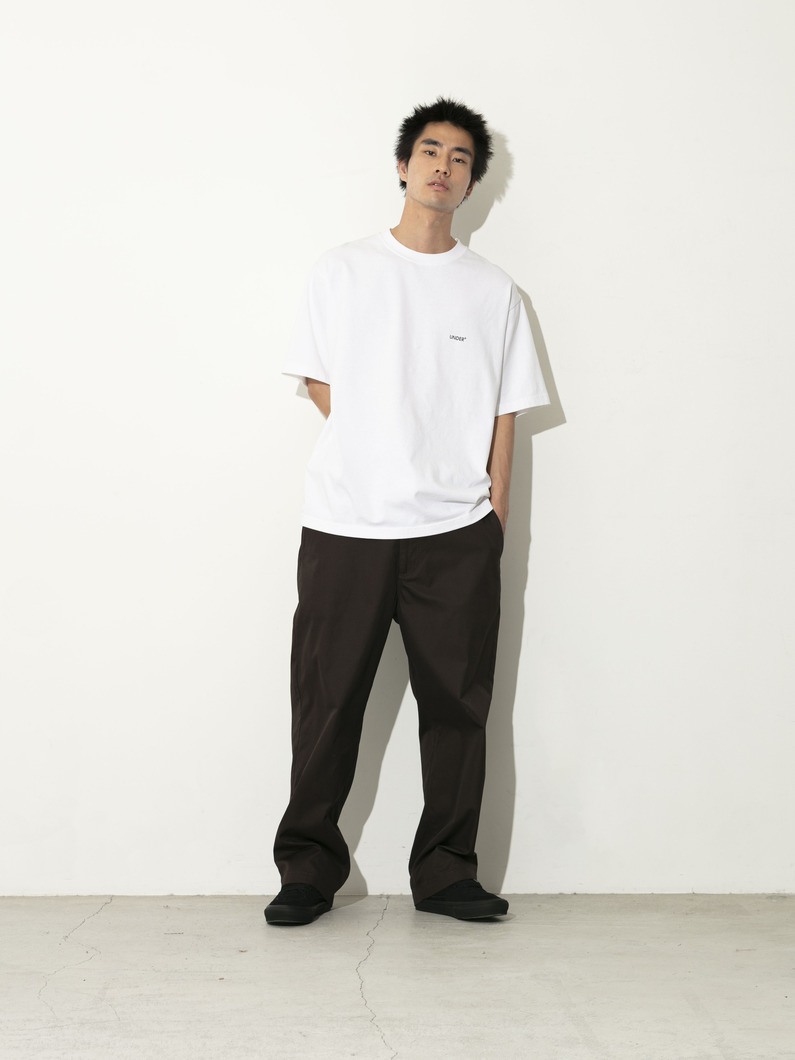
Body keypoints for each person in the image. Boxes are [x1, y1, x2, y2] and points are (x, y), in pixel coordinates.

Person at [265, 97, 549, 926]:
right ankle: (307, 870)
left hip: (455, 534)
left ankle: (447, 873)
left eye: (459, 159)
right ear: (402, 165)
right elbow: (318, 379)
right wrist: (378, 448)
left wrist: (493, 520)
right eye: (429, 151)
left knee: (459, 709)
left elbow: (505, 415)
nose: (442, 167)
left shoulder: (493, 291)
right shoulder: (342, 270)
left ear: (472, 183)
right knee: (325, 706)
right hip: (346, 525)